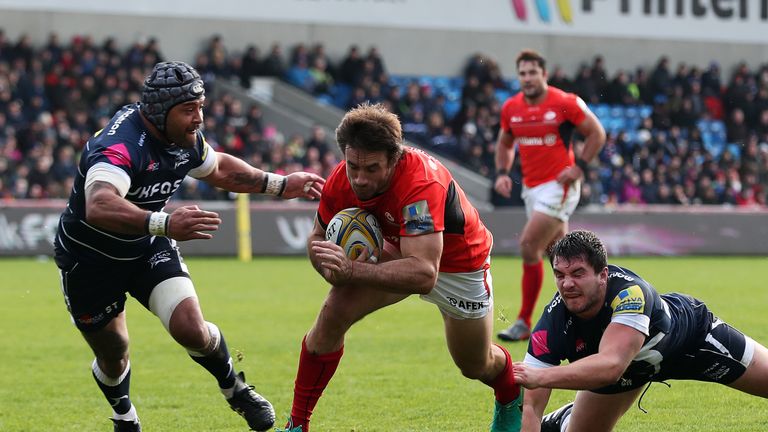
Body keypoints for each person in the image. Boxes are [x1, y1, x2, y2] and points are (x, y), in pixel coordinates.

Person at [53, 61, 325, 432]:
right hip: (89, 262)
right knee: (113, 352)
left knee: (190, 328)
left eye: (200, 107)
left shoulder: (182, 137)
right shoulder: (120, 145)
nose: (199, 119)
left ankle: (236, 390)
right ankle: (124, 416)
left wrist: (279, 184)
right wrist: (165, 222)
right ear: (158, 113)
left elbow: (218, 169)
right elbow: (98, 204)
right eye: (188, 110)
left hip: (146, 247)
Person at [279, 103, 522, 432]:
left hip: (459, 266)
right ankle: (297, 425)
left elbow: (424, 274)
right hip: (398, 249)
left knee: (475, 364)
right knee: (335, 308)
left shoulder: (421, 184)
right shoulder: (341, 178)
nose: (360, 179)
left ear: (395, 159)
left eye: (372, 169)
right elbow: (317, 238)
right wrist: (326, 265)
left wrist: (351, 271)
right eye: (354, 167)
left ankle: (510, 394)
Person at [512, 230, 768, 432]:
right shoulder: (551, 323)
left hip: (690, 343)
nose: (567, 284)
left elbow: (611, 365)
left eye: (578, 274)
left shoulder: (629, 293)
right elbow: (531, 408)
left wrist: (543, 377)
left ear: (603, 275)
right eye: (560, 275)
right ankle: (566, 418)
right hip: (627, 372)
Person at [495, 49, 606, 342]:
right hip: (531, 188)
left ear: (544, 75)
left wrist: (579, 167)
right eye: (522, 73)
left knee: (528, 244)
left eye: (533, 72)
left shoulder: (564, 102)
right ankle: (587, 315)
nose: (527, 78)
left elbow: (597, 133)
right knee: (563, 258)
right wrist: (502, 173)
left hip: (559, 185)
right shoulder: (511, 108)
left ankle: (523, 322)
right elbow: (505, 143)